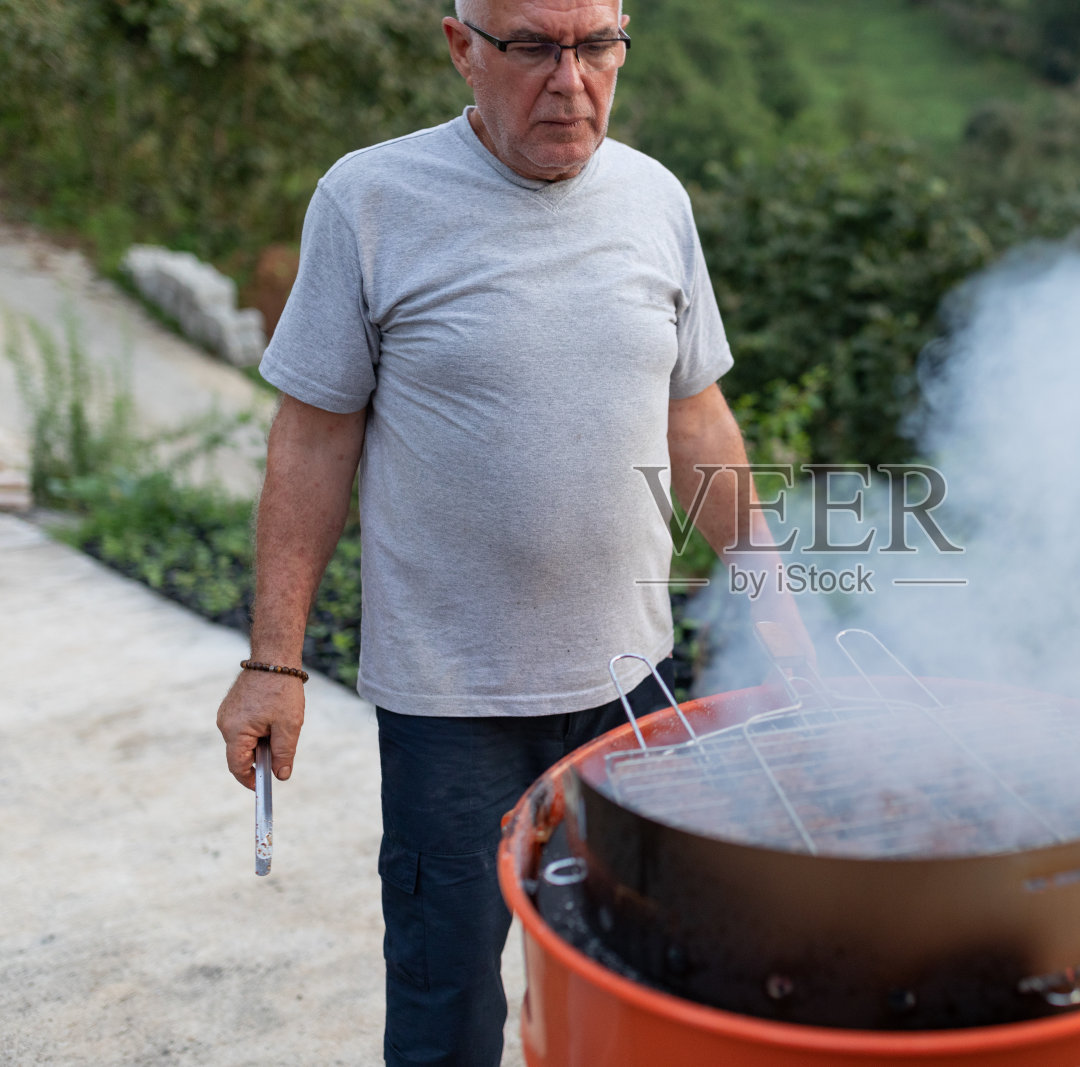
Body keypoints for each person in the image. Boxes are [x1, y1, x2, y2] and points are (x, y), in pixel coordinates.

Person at [213, 1, 807, 1063]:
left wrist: (775, 600)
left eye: (596, 45)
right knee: (447, 1003)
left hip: (634, 687)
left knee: (636, 981)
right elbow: (311, 441)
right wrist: (274, 661)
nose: (569, 79)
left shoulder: (655, 198)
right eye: (532, 46)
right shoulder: (370, 199)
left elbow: (693, 416)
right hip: (453, 705)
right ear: (461, 48)